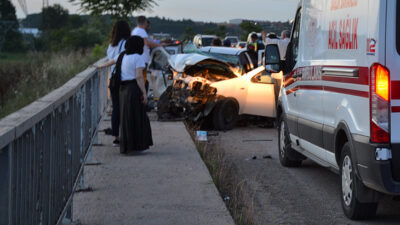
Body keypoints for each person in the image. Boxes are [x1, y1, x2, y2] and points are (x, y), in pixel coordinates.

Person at [93, 36, 153, 154]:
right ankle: (138, 146)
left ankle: (127, 146)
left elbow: (110, 62)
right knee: (137, 118)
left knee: (126, 118)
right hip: (133, 89)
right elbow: (139, 77)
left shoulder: (122, 55)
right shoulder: (138, 58)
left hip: (122, 90)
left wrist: (98, 66)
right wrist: (144, 93)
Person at [106, 20, 131, 147]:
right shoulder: (126, 43)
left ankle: (116, 137)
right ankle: (126, 135)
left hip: (113, 79)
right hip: (123, 80)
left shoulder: (111, 45)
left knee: (116, 109)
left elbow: (110, 62)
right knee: (126, 108)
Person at [131, 16, 163, 92]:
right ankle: (142, 96)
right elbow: (147, 43)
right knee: (143, 79)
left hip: (137, 58)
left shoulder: (134, 31)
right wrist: (160, 45)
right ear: (144, 22)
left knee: (138, 78)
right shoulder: (142, 31)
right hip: (142, 59)